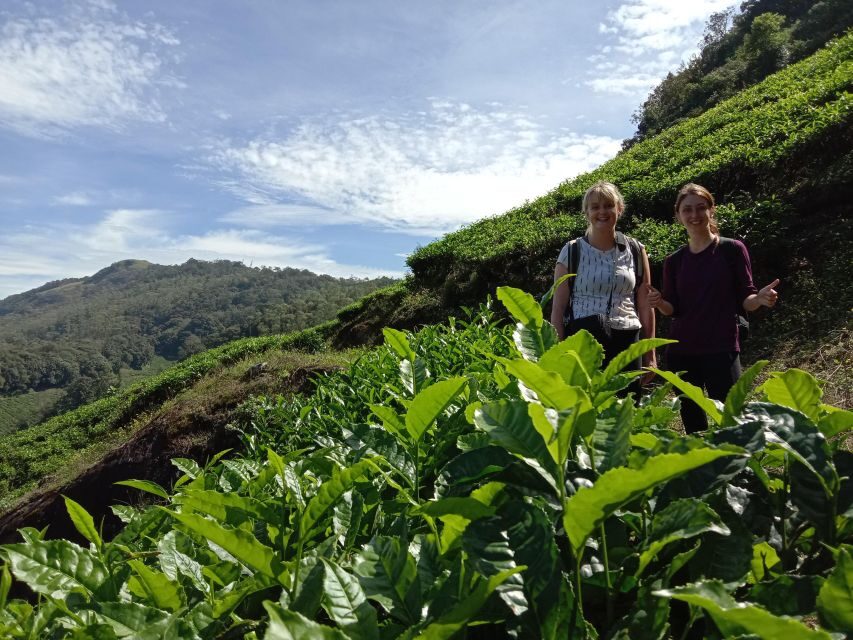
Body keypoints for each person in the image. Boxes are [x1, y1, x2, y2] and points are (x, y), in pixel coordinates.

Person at [647, 183, 779, 433]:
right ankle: (703, 469)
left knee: (730, 416)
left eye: (700, 208)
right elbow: (672, 309)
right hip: (682, 350)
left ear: (711, 210)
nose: (694, 215)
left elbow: (746, 298)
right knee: (693, 420)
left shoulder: (731, 249)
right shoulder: (674, 261)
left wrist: (759, 299)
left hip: (722, 346)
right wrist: (658, 302)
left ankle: (735, 470)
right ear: (678, 216)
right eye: (687, 210)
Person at [550, 181, 656, 381]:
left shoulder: (636, 249)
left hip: (627, 336)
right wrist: (558, 353)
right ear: (586, 213)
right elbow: (558, 308)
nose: (602, 212)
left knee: (627, 406)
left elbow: (645, 303)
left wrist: (649, 353)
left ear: (619, 209)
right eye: (595, 207)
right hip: (584, 338)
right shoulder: (572, 251)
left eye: (608, 205)